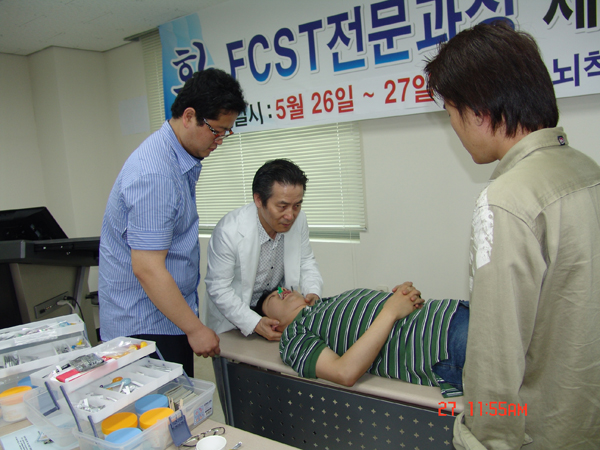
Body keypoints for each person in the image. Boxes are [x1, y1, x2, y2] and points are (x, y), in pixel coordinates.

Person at [425, 21, 600, 449]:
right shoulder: (587, 170)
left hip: (541, 432)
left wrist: (481, 441)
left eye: (451, 115)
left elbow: (495, 359)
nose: (455, 129)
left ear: (479, 112)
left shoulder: (506, 200)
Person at [98, 68, 247, 376]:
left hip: (164, 318)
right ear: (189, 116)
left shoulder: (175, 156)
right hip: (146, 328)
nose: (220, 140)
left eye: (226, 132)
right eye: (217, 131)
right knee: (166, 405)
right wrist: (195, 329)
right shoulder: (156, 174)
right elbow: (148, 268)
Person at [252, 283, 468, 398]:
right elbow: (344, 372)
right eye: (273, 297)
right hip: (443, 344)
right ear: (273, 324)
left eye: (283, 288)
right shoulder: (293, 336)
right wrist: (391, 310)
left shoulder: (327, 303)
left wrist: (406, 297)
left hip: (452, 310)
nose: (282, 291)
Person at [204, 159, 323, 341]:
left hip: (273, 312)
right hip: (234, 316)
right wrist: (254, 322)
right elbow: (218, 287)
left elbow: (306, 261)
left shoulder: (299, 220)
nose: (290, 215)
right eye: (282, 206)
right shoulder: (229, 231)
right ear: (259, 200)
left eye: (297, 205)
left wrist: (312, 292)